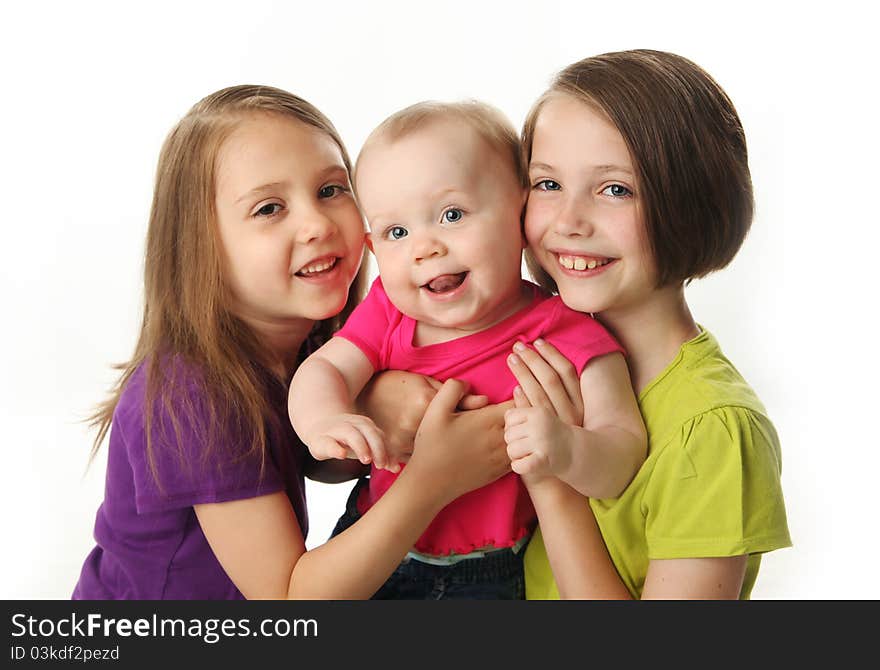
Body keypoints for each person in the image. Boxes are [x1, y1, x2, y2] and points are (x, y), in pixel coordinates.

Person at [72, 85, 512, 600]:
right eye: (269, 209)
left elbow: (317, 461)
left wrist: (364, 406)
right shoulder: (192, 394)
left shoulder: (304, 345)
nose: (317, 224)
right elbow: (288, 601)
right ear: (201, 245)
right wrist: (432, 482)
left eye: (330, 190)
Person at [288, 101, 647, 599]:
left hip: (490, 573)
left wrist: (568, 451)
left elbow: (624, 451)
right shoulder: (391, 311)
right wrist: (324, 419)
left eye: (451, 215)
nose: (424, 247)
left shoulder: (567, 334)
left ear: (520, 214)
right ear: (374, 248)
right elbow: (325, 368)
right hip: (376, 542)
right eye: (397, 232)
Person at [507, 49, 791, 599]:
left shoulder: (712, 430)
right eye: (547, 184)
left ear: (690, 203)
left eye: (616, 189)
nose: (568, 222)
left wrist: (553, 484)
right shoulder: (540, 346)